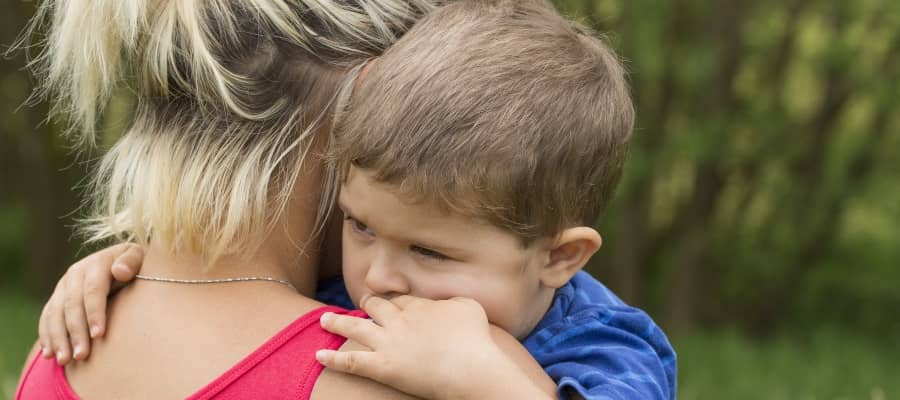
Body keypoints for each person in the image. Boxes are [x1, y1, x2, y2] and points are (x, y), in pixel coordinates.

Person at [36, 1, 678, 399]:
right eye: (359, 226)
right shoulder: (355, 312)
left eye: (430, 250)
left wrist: (492, 380)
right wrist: (119, 260)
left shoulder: (606, 346)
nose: (378, 277)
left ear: (561, 256)